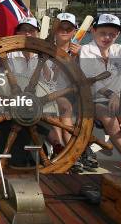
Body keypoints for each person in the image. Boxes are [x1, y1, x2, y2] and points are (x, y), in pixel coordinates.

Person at [79, 14, 121, 172]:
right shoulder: (86, 50)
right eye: (103, 33)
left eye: (112, 34)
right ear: (93, 31)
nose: (107, 37)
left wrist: (118, 97)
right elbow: (90, 79)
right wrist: (111, 95)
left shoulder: (120, 50)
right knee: (110, 120)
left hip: (119, 100)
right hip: (93, 101)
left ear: (118, 35)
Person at [51, 13, 95, 172]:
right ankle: (70, 150)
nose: (64, 30)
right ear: (54, 30)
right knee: (63, 108)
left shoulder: (81, 52)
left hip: (71, 93)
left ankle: (73, 149)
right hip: (49, 93)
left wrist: (75, 58)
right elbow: (47, 77)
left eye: (68, 28)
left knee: (69, 107)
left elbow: (85, 77)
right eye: (60, 27)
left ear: (74, 31)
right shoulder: (44, 48)